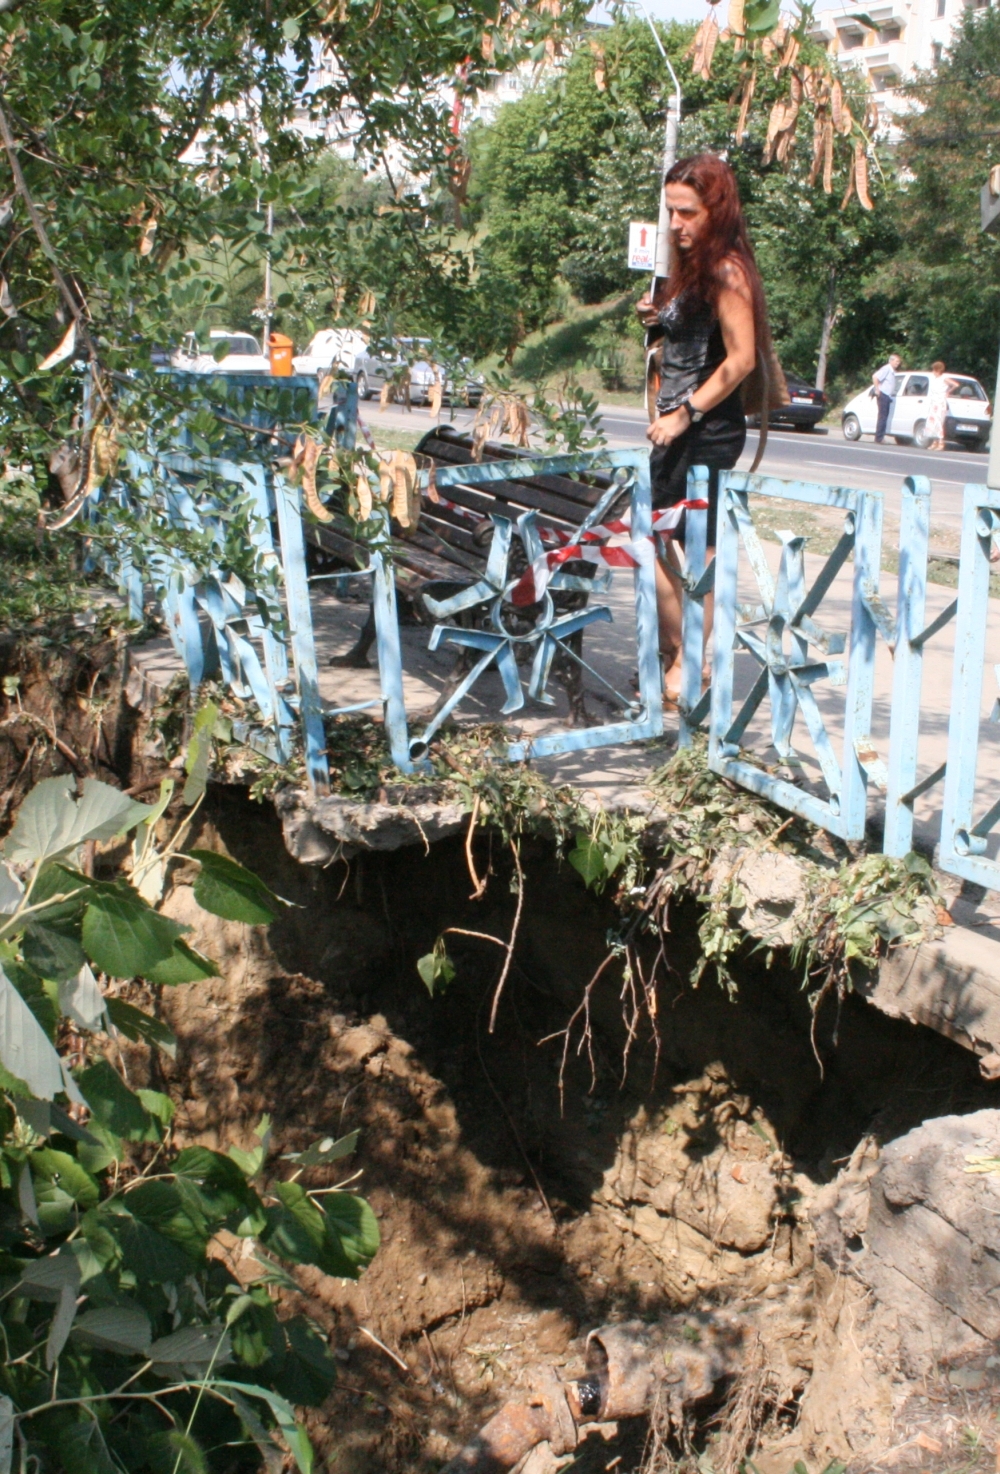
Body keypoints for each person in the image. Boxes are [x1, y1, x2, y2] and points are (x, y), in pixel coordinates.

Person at [636, 152, 771, 705]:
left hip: (707, 431)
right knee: (650, 536)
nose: (675, 225)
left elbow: (739, 361)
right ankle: (679, 655)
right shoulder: (693, 267)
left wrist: (684, 414)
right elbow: (690, 332)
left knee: (701, 548)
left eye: (686, 213)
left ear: (715, 209)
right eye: (670, 212)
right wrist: (657, 314)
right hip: (676, 428)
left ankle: (690, 661)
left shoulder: (729, 270)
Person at [925, 360, 958, 451]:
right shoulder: (935, 379)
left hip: (940, 403)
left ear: (938, 370)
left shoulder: (944, 378)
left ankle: (941, 442)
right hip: (934, 403)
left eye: (934, 370)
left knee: (939, 422)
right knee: (933, 422)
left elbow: (955, 385)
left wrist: (948, 392)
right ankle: (934, 442)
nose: (933, 372)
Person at [872, 352, 901, 443]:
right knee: (882, 417)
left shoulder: (892, 371)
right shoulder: (886, 369)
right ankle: (879, 437)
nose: (898, 363)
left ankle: (880, 436)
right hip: (883, 395)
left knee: (884, 416)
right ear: (891, 360)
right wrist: (877, 390)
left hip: (887, 396)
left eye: (899, 362)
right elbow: (875, 377)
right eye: (896, 361)